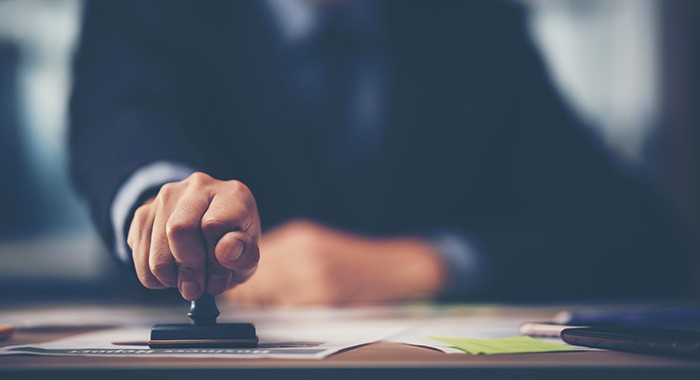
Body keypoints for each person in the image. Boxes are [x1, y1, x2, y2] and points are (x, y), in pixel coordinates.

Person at [69, 0, 695, 306]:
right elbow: (120, 124)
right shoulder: (146, 11)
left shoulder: (471, 23)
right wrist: (167, 205)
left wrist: (428, 263)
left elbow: (634, 232)